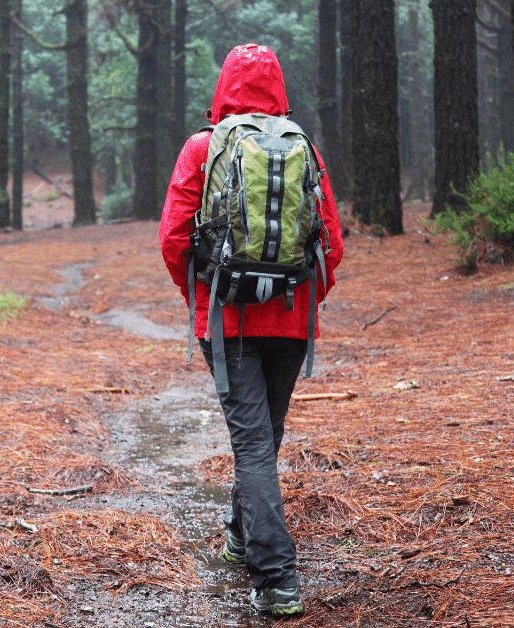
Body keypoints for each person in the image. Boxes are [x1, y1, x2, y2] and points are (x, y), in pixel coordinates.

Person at [158, 43, 345, 616]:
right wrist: (301, 300)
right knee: (265, 439)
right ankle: (243, 535)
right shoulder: (302, 148)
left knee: (253, 445)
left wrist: (202, 300)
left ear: (223, 86)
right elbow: (331, 246)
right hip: (290, 322)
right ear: (278, 87)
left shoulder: (203, 147)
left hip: (228, 323)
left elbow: (172, 237)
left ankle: (276, 577)